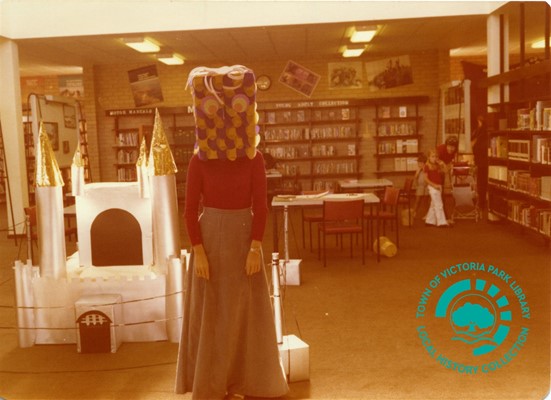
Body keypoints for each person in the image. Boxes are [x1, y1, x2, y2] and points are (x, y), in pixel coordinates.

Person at [175, 66, 289, 400]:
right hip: (210, 240)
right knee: (212, 315)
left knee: (245, 313)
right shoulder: (200, 160)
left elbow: (261, 206)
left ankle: (246, 380)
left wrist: (255, 248)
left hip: (242, 239)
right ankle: (212, 383)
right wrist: (198, 251)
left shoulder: (254, 159)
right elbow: (189, 209)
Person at [423, 149, 449, 227]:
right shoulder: (427, 166)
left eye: (436, 157)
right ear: (429, 157)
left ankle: (430, 221)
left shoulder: (438, 165)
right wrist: (433, 185)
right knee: (439, 204)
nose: (434, 158)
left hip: (439, 186)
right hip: (433, 187)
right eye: (432, 156)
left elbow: (446, 171)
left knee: (433, 204)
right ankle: (442, 222)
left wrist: (443, 164)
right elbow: (426, 179)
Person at [471, 114, 488, 210]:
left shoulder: (479, 133)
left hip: (480, 160)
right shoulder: (483, 132)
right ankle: (482, 202)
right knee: (483, 181)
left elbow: (474, 144)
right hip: (484, 160)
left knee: (481, 182)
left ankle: (481, 202)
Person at [412, 154, 428, 219]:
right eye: (418, 163)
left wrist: (424, 169)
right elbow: (415, 178)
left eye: (421, 163)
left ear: (425, 163)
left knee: (425, 202)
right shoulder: (418, 169)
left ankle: (427, 214)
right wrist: (418, 172)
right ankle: (413, 212)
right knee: (417, 200)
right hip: (420, 186)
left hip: (426, 186)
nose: (419, 164)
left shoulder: (426, 168)